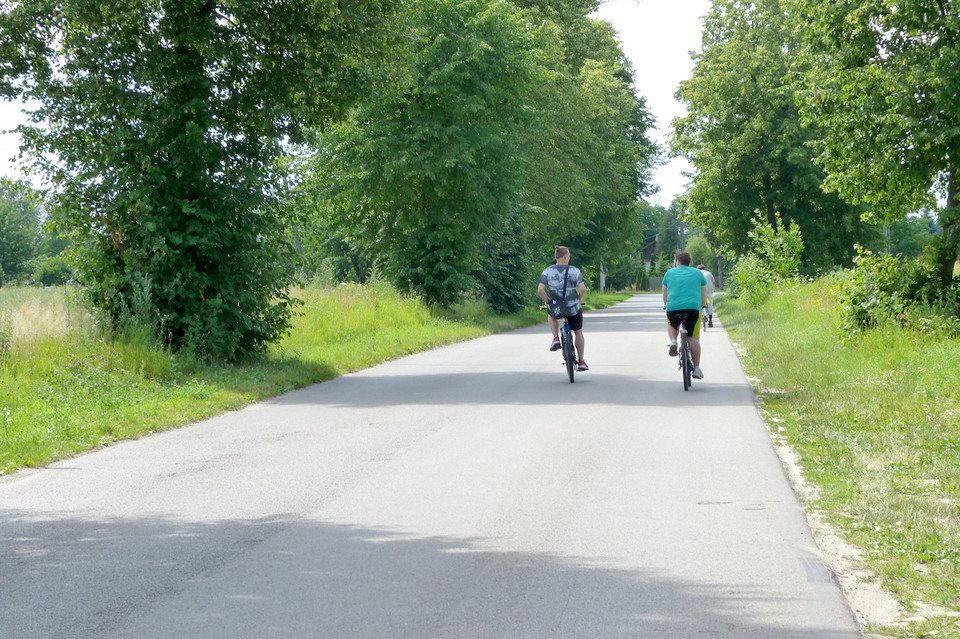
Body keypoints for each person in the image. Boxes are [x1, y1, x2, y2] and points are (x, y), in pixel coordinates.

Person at [538, 245, 588, 371]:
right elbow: (582, 289)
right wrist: (578, 300)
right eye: (569, 256)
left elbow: (540, 289)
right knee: (578, 332)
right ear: (565, 257)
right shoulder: (575, 271)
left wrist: (548, 301)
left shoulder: (547, 271)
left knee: (551, 314)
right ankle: (581, 360)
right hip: (573, 307)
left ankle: (555, 338)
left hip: (557, 306)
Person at [663, 251, 708, 379]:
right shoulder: (698, 273)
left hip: (673, 309)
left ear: (677, 261)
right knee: (693, 339)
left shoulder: (669, 273)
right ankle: (697, 368)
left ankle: (673, 341)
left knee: (672, 323)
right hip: (693, 309)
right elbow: (703, 294)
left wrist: (667, 305)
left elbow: (665, 295)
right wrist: (703, 306)